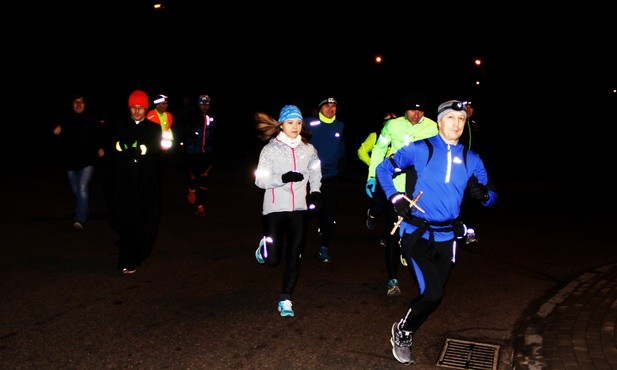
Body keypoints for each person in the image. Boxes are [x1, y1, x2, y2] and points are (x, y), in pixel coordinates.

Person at [376, 99, 498, 365]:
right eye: (451, 118)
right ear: (440, 121)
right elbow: (383, 169)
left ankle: (406, 326)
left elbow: (491, 196)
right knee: (432, 294)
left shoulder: (471, 158)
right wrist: (395, 197)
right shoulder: (421, 149)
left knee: (432, 295)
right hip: (416, 232)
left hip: (447, 237)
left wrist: (485, 195)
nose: (456, 123)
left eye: (461, 119)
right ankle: (404, 332)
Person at [366, 93, 438, 298]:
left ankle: (424, 276)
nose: (416, 115)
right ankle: (392, 279)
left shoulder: (433, 128)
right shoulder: (392, 126)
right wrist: (372, 176)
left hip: (422, 189)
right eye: (412, 110)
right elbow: (379, 149)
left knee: (422, 232)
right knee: (392, 232)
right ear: (404, 109)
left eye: (421, 111)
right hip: (396, 188)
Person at [254, 105, 322, 317]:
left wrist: (317, 191)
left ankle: (286, 298)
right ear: (281, 124)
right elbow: (259, 180)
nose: (295, 127)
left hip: (299, 210)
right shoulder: (270, 149)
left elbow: (315, 171)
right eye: (291, 122)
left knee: (294, 256)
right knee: (273, 260)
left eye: (299, 122)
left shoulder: (309, 149)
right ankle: (264, 246)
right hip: (274, 209)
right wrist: (281, 179)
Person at [107, 90, 164, 275]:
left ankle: (134, 256)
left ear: (146, 109)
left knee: (142, 221)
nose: (137, 111)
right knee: (125, 219)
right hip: (124, 181)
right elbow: (115, 146)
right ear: (130, 108)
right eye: (134, 107)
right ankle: (128, 257)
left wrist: (140, 150)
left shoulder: (153, 128)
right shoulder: (121, 125)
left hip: (145, 182)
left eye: (140, 107)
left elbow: (156, 150)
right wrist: (127, 149)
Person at [52, 93, 106, 230]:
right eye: (76, 102)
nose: (78, 104)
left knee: (82, 188)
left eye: (81, 102)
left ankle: (80, 218)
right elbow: (59, 138)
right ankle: (84, 206)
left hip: (88, 160)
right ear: (72, 105)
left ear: (85, 104)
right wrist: (57, 131)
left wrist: (100, 147)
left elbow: (100, 134)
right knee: (76, 189)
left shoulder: (91, 119)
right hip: (70, 161)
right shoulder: (66, 119)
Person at [305, 97, 345, 262]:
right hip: (309, 176)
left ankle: (324, 246)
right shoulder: (309, 123)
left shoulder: (340, 125)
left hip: (331, 176)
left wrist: (341, 163)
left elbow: (340, 147)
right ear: (320, 108)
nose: (331, 108)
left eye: (334, 106)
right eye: (327, 106)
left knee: (330, 212)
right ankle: (297, 242)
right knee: (309, 210)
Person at [357, 111, 396, 248]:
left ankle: (387, 236)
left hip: (396, 178)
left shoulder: (401, 137)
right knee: (379, 206)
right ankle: (372, 215)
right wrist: (374, 165)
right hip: (380, 177)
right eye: (388, 123)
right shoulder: (375, 136)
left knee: (394, 209)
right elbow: (361, 152)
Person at [185, 94, 216, 217]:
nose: (204, 106)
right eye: (202, 104)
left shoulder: (213, 116)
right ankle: (191, 189)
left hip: (208, 152)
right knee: (194, 176)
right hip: (193, 152)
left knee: (205, 177)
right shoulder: (192, 116)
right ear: (198, 104)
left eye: (207, 104)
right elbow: (185, 131)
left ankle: (200, 206)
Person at [458, 101, 482, 246]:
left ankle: (470, 232)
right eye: (466, 107)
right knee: (458, 199)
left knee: (473, 199)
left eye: (471, 107)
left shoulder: (474, 124)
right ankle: (457, 230)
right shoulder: (456, 125)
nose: (468, 110)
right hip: (459, 168)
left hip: (473, 168)